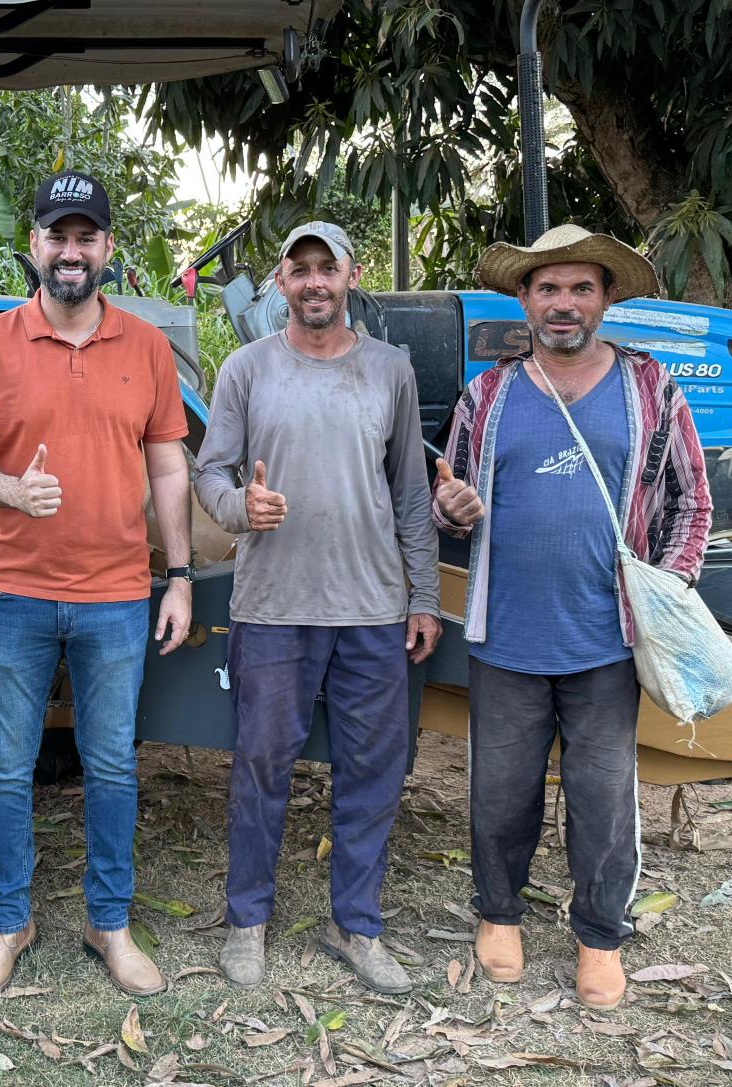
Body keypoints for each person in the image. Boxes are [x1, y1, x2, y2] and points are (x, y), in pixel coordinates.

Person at [432, 224, 711, 1009]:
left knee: (602, 796)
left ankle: (598, 935)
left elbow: (692, 498)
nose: (563, 303)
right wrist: (450, 508)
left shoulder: (650, 388)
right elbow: (450, 503)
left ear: (605, 297)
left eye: (580, 287)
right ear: (524, 299)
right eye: (547, 288)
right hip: (508, 635)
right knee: (500, 789)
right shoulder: (487, 395)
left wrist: (673, 588)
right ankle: (499, 914)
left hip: (608, 640)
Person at [0, 170, 193, 997]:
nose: (72, 251)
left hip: (117, 593)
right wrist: (16, 492)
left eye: (87, 236)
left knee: (113, 766)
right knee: (7, 767)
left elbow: (167, 467)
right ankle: (7, 925)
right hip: (13, 590)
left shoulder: (147, 347)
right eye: (58, 235)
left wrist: (182, 574)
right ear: (34, 247)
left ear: (108, 250)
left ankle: (108, 923)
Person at [194, 222, 441, 994]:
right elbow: (209, 473)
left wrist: (425, 593)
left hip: (371, 606)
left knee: (373, 769)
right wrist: (241, 506)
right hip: (272, 607)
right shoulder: (246, 369)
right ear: (280, 282)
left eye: (324, 268)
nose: (312, 283)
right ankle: (247, 923)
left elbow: (410, 491)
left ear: (350, 275)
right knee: (262, 767)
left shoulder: (389, 371)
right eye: (297, 270)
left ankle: (357, 925)